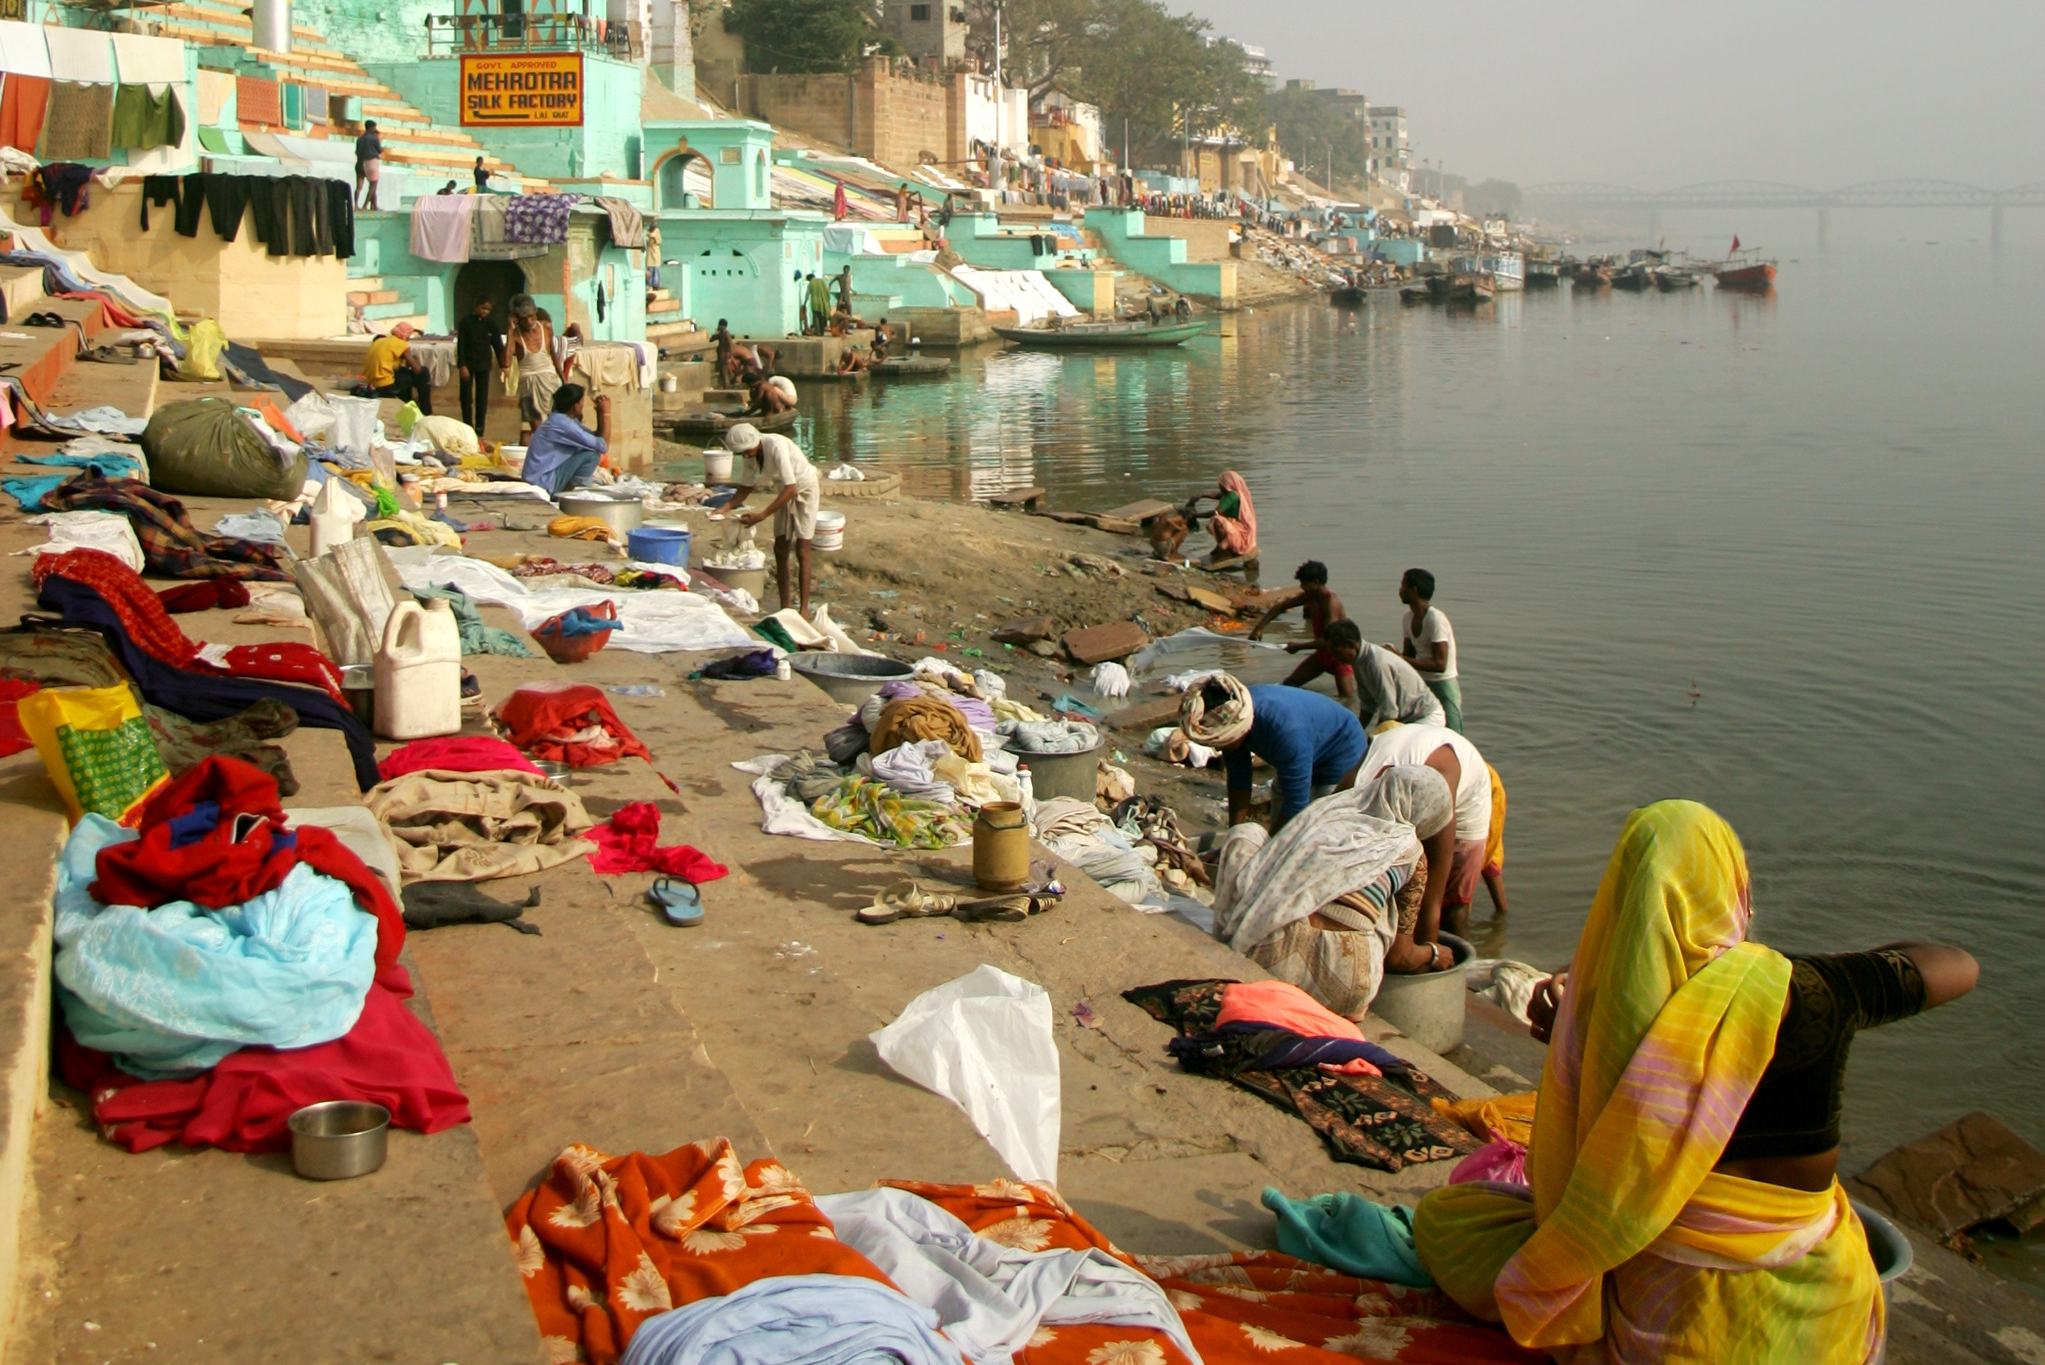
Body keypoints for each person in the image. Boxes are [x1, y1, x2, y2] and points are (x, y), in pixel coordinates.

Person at [1414, 800, 1977, 1364]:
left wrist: (1568, 1038)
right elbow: (1956, 965)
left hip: (1667, 1319)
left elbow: (1593, 1176)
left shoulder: (1598, 1024)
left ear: (1624, 901)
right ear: (1735, 891)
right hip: (1824, 1323)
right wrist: (1836, 973)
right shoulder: (1805, 989)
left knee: (1450, 1219)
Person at [1212, 765, 1460, 1022]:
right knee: (1385, 910)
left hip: (1263, 955)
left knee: (1247, 832)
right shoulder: (1412, 853)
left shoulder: (1325, 812)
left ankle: (1231, 927)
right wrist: (1432, 953)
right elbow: (1400, 957)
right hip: (1347, 987)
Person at [1350, 720, 1491, 939]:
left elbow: (1430, 905)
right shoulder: (1354, 791)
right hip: (1397, 746)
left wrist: (1428, 952)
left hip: (1467, 784)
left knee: (1451, 905)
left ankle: (1458, 954)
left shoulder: (1438, 801)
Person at [1181, 673, 1366, 834]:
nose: (1219, 749)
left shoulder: (1285, 731)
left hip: (1341, 751)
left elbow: (1296, 803)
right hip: (1305, 743)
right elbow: (1239, 780)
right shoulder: (1231, 717)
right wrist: (1234, 833)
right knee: (1280, 809)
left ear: (1238, 730)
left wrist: (1267, 849)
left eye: (1221, 743)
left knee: (1320, 827)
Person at [725, 421, 820, 615]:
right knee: (780, 549)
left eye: (747, 451)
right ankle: (785, 607)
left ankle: (803, 609)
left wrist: (761, 515)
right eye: (742, 453)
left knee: (803, 550)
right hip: (784, 491)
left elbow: (792, 488)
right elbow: (746, 486)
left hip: (805, 487)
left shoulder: (775, 446)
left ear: (756, 442)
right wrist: (724, 508)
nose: (746, 455)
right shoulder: (750, 456)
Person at [1249, 560, 1349, 700]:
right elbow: (1280, 607)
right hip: (1322, 655)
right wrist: (1258, 629)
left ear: (1315, 582)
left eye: (1304, 583)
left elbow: (1329, 640)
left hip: (1340, 656)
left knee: (1346, 699)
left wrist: (1298, 646)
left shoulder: (1330, 601)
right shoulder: (1310, 596)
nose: (1302, 587)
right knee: (1289, 685)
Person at [1321, 620, 1446, 730]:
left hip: (1425, 717)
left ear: (1351, 645)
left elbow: (1390, 713)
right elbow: (1368, 705)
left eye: (1337, 653)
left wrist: (1374, 737)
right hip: (1405, 719)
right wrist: (1356, 732)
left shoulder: (1377, 663)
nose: (1335, 658)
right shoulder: (1358, 662)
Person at [1394, 567, 1462, 731]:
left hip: (1443, 684)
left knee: (1453, 733)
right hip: (1422, 683)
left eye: (1403, 586)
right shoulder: (1407, 618)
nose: (1400, 590)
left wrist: (1400, 658)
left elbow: (1440, 665)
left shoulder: (1435, 619)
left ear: (1414, 590)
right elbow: (1409, 656)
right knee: (1419, 730)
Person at [521, 384, 610, 499]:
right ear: (575, 406)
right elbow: (603, 446)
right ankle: (569, 496)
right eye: (581, 403)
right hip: (542, 482)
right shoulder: (562, 424)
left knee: (590, 450)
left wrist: (599, 414)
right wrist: (606, 414)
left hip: (540, 479)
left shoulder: (563, 420)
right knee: (592, 455)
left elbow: (595, 439)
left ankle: (569, 493)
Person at [502, 293, 561, 441]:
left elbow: (554, 354)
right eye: (524, 318)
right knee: (538, 430)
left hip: (550, 381)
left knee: (556, 423)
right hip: (528, 385)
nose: (529, 321)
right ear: (516, 318)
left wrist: (563, 378)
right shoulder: (515, 336)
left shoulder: (546, 327)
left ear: (535, 312)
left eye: (531, 316)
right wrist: (510, 330)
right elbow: (506, 362)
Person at [455, 298, 504, 438]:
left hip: (483, 364)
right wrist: (462, 365)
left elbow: (498, 345)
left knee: (482, 398)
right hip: (468, 365)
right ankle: (467, 426)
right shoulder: (465, 322)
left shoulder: (491, 324)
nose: (485, 312)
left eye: (488, 309)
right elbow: (461, 346)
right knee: (465, 397)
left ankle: (480, 429)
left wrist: (503, 365)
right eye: (483, 308)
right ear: (476, 306)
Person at [361, 322, 431, 411]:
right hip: (385, 386)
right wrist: (413, 358)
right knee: (424, 372)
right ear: (405, 335)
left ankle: (408, 404)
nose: (410, 338)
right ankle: (426, 411)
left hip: (371, 384)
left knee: (403, 373)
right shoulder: (400, 344)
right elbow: (417, 370)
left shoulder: (380, 341)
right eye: (410, 335)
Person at [354, 120, 382, 210]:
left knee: (359, 186)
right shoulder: (374, 138)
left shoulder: (360, 139)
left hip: (360, 162)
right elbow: (379, 150)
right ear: (371, 127)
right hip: (371, 161)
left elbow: (357, 152)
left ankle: (357, 204)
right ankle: (365, 205)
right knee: (373, 185)